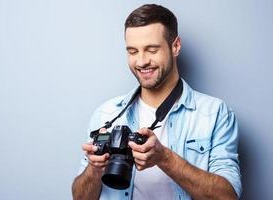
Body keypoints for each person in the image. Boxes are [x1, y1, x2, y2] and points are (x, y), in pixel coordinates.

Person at [72, 4, 241, 200]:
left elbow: (228, 197)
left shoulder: (215, 113)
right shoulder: (106, 114)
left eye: (151, 49)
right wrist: (94, 169)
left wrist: (164, 157)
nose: (141, 61)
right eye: (133, 51)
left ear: (175, 46)